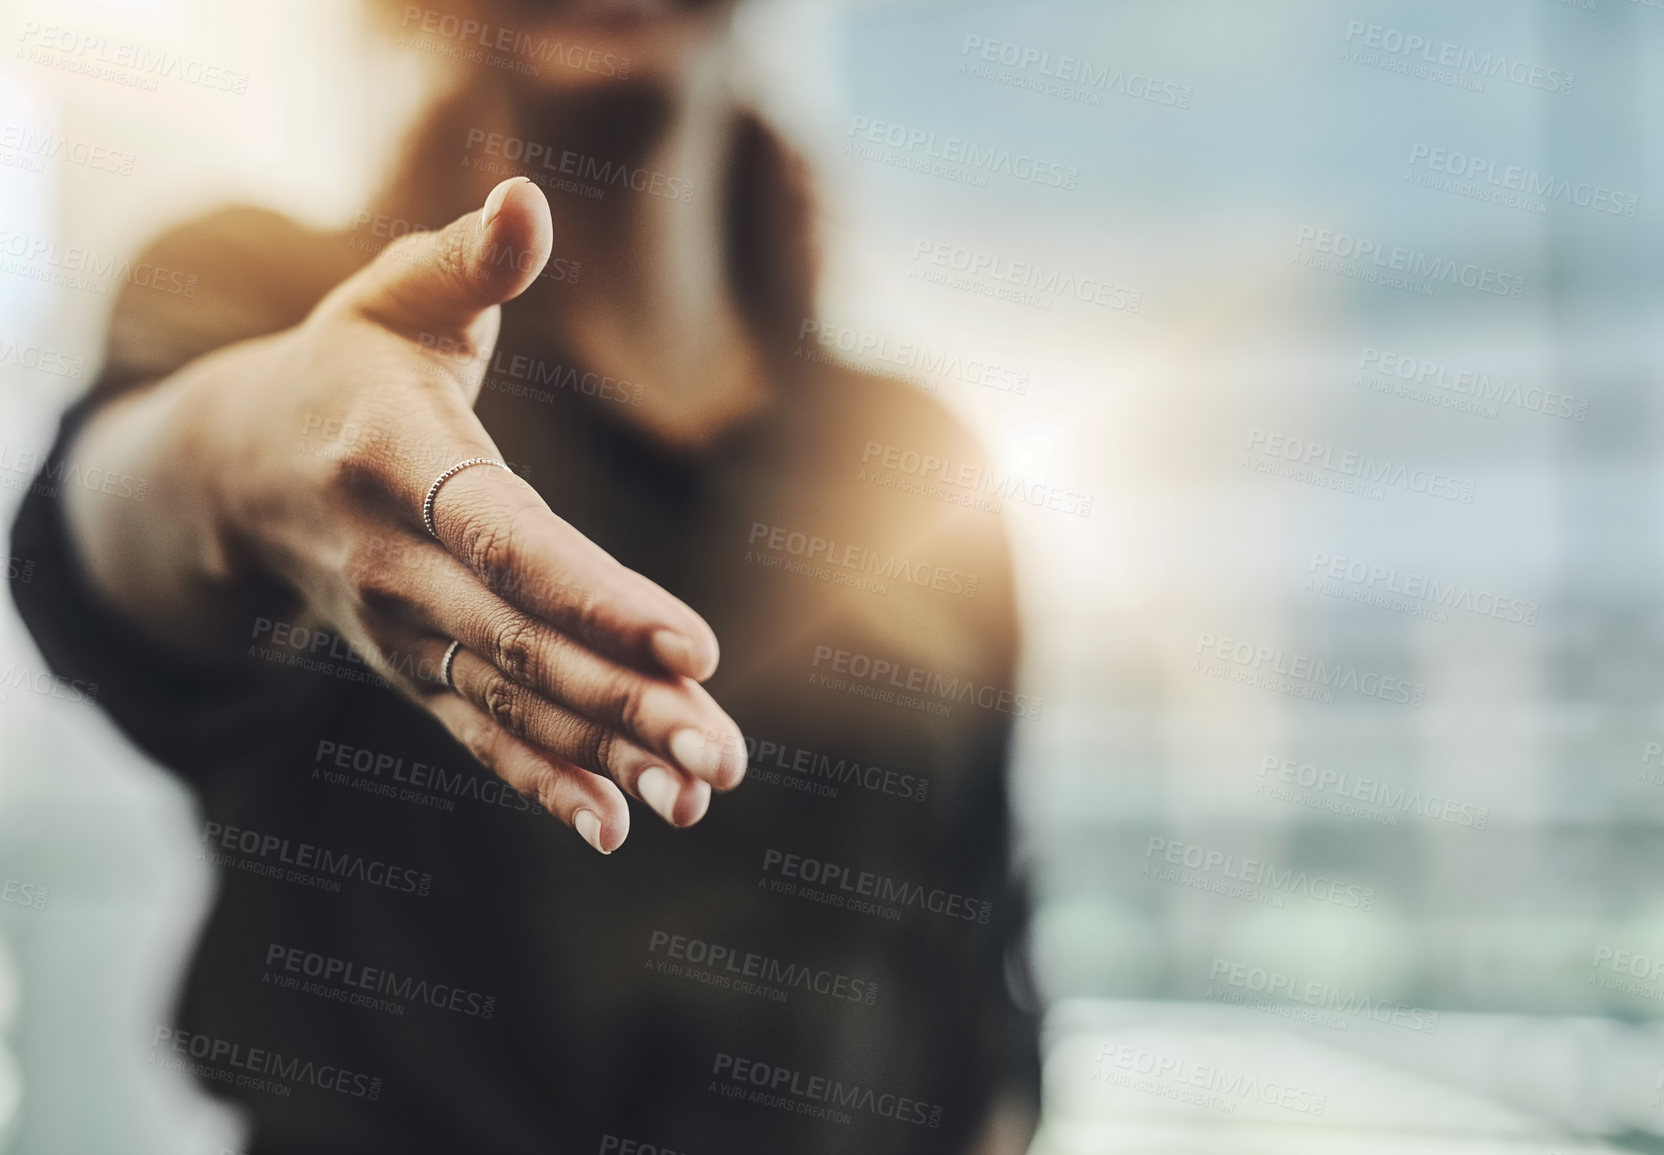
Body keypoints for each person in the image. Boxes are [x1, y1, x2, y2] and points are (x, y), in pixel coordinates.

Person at [10, 1, 1040, 1150]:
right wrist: (258, 458)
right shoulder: (284, 301)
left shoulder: (917, 457)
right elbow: (105, 522)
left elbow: (982, 981)